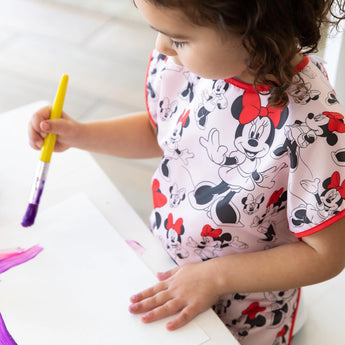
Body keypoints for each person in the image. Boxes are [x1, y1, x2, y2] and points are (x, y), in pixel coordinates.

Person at [28, 1, 345, 344]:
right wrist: (80, 134)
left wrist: (216, 277)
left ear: (256, 32)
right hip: (164, 260)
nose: (160, 47)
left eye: (177, 39)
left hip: (243, 314)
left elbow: (325, 254)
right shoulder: (189, 66)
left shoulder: (313, 127)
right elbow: (159, 132)